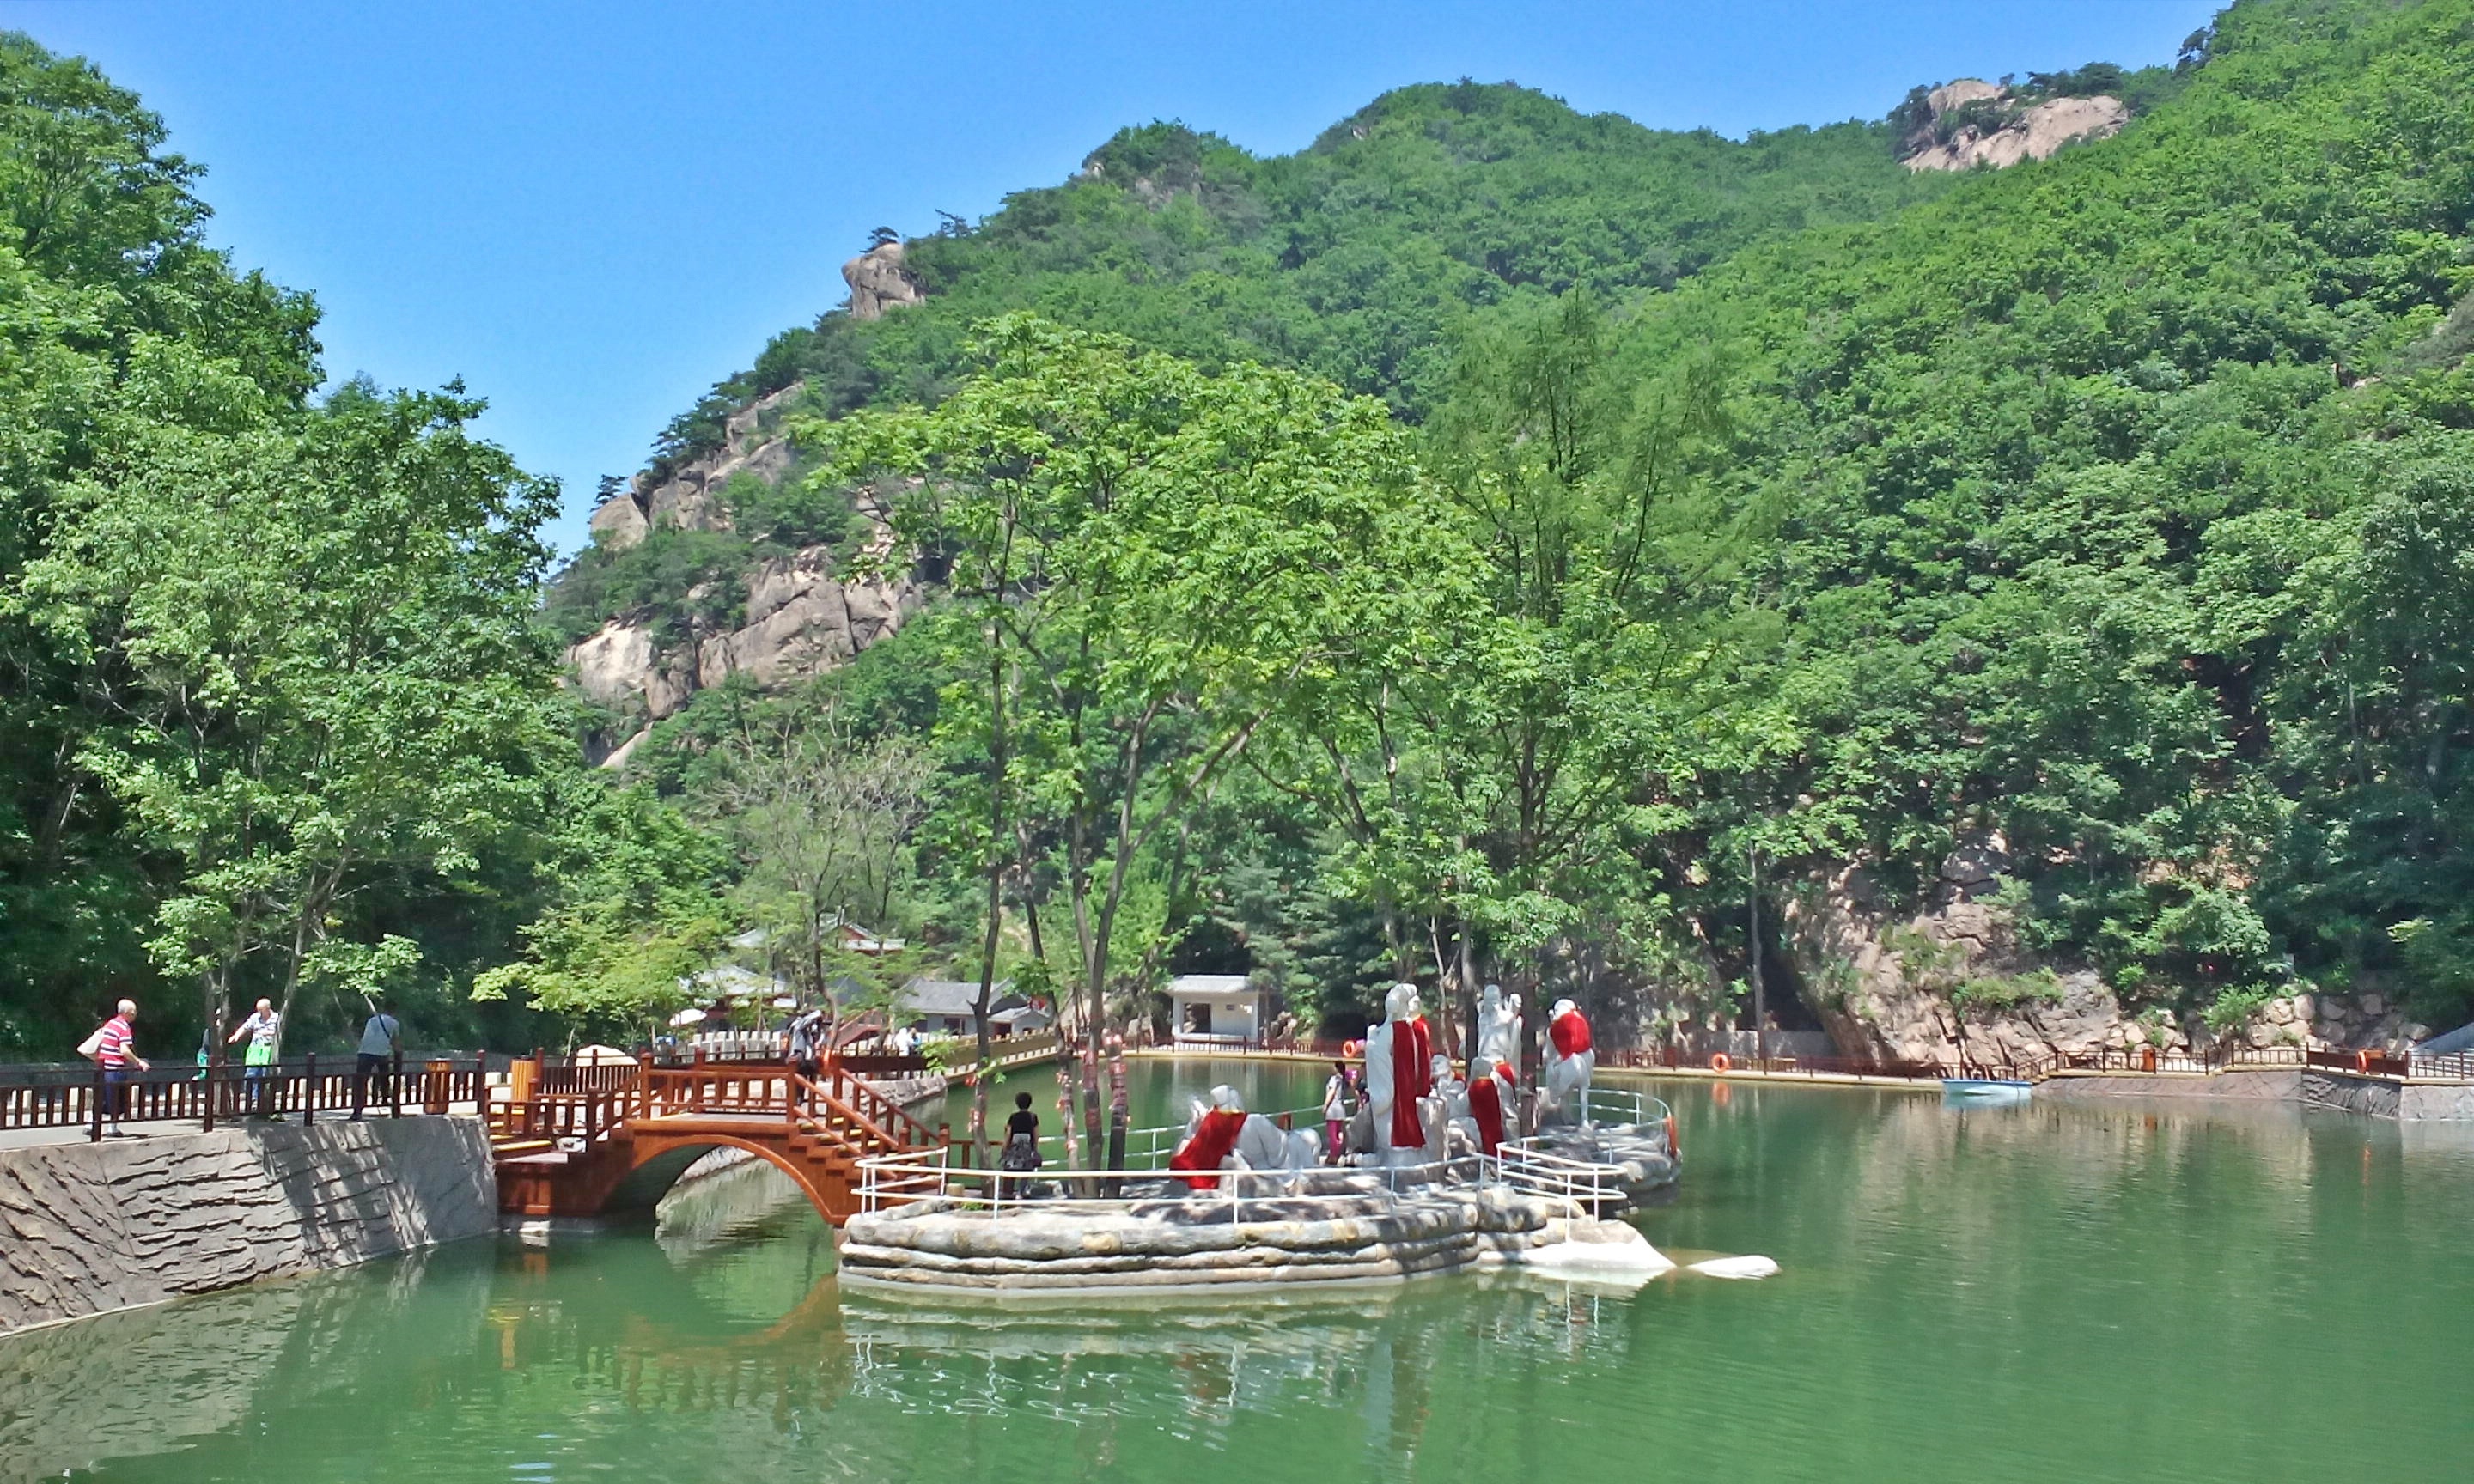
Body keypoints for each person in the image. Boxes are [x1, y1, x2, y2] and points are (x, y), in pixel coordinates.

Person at [84, 999, 149, 1136]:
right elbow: (124, 1050)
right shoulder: (123, 1028)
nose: (135, 1014)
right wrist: (138, 1062)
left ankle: (91, 1124)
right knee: (118, 1099)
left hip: (103, 1067)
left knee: (103, 1097)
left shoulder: (110, 1024)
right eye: (134, 1011)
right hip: (116, 1068)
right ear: (127, 1013)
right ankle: (112, 1128)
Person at [350, 999, 402, 1120]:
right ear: (394, 1011)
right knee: (384, 1076)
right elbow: (395, 1041)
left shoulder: (371, 1020)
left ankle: (357, 1111)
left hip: (364, 1052)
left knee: (361, 1081)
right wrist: (399, 1053)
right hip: (381, 1053)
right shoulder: (394, 1023)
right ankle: (385, 1099)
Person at [229, 998, 279, 1117]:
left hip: (268, 1049)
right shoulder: (255, 1017)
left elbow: (276, 1032)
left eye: (261, 1011)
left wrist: (265, 1033)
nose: (260, 1013)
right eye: (258, 1011)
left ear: (268, 1009)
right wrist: (236, 1036)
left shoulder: (276, 1018)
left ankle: (261, 1102)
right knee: (250, 1075)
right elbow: (245, 1027)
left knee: (264, 1076)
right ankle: (250, 1100)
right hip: (255, 1049)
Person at [999, 1092, 1042, 1174]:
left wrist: (1004, 1148)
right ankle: (1024, 1187)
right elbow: (1036, 1135)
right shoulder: (1033, 1117)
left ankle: (1010, 1187)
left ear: (1017, 1103)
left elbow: (1008, 1134)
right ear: (1030, 1103)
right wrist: (1035, 1149)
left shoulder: (1013, 1117)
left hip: (1014, 1149)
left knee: (1011, 1172)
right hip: (1028, 1149)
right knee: (1026, 1172)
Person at [1322, 1058, 1354, 1163]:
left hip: (1333, 1108)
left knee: (1332, 1134)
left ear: (1336, 1068)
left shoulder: (1334, 1079)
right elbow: (1352, 1089)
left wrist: (1326, 1105)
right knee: (1339, 1132)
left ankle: (1333, 1155)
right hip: (1341, 1108)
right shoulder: (1344, 1080)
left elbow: (1332, 1092)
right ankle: (1339, 1152)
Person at [786, 1005, 827, 1082]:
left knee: (804, 1081)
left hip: (804, 1058)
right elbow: (805, 1021)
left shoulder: (806, 1030)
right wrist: (817, 1013)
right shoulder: (798, 1025)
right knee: (797, 1083)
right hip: (797, 1056)